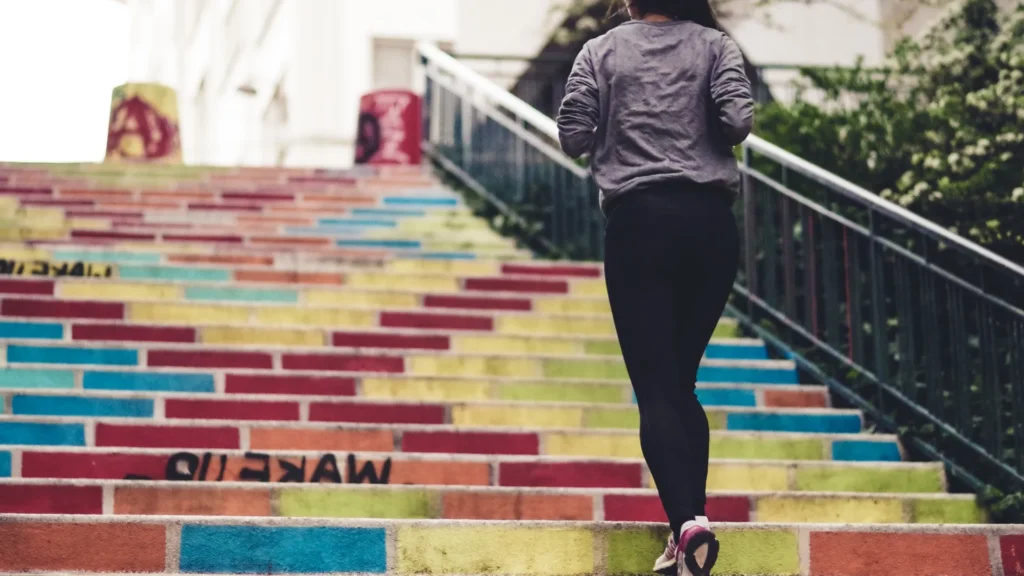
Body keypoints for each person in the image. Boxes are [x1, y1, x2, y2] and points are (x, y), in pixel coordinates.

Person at [556, 1, 754, 575]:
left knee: (657, 389)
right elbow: (737, 122)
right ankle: (687, 528)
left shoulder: (601, 50)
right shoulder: (717, 46)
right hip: (710, 226)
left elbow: (573, 135)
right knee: (680, 383)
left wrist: (622, 118)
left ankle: (688, 521)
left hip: (639, 224)